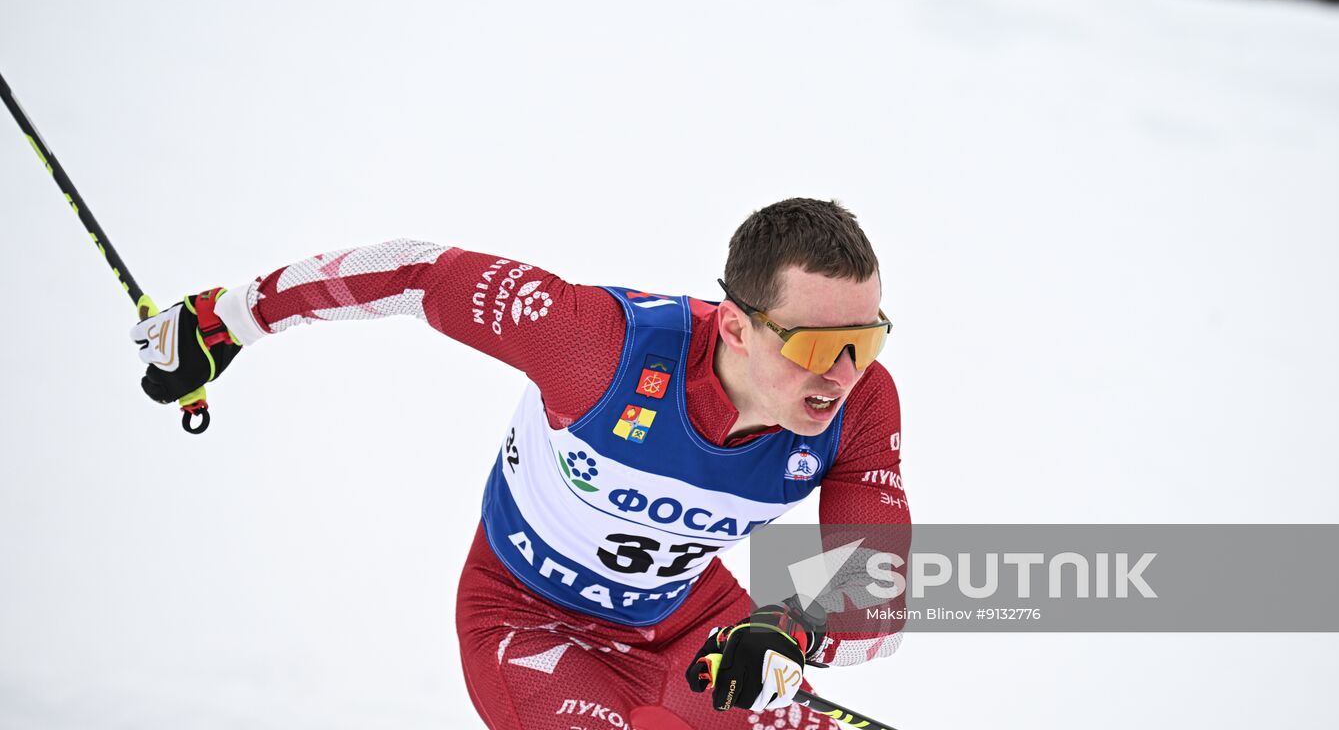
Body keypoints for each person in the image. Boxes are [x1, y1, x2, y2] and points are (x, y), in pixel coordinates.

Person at [130, 198, 910, 730]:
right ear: (737, 327)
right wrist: (227, 320)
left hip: (693, 626)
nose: (842, 373)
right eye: (814, 345)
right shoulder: (599, 347)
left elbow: (877, 600)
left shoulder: (861, 407)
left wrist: (788, 628)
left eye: (865, 341)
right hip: (525, 620)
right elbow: (419, 273)